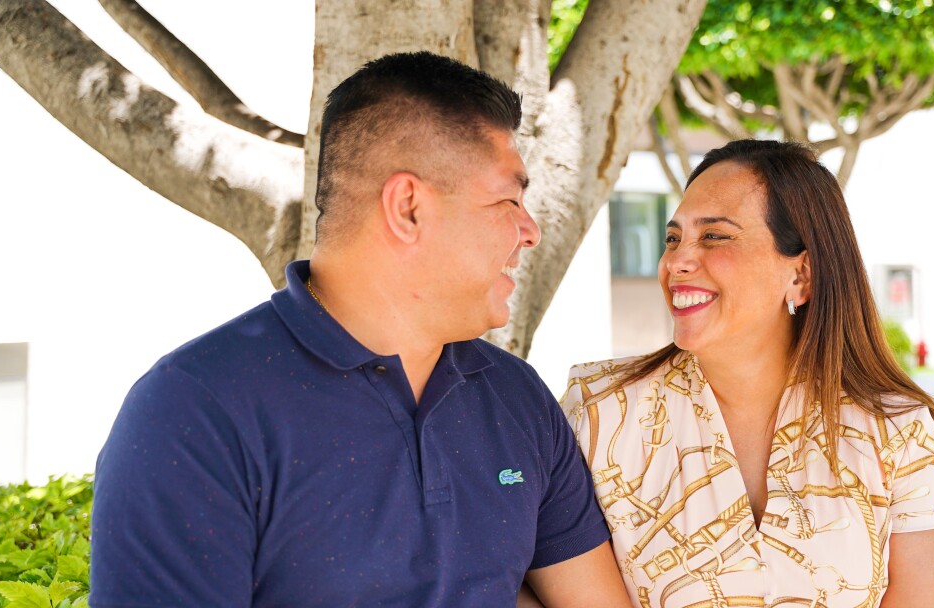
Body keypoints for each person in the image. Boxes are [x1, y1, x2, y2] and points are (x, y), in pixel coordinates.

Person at [91, 51, 630, 608]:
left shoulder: (518, 399)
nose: (531, 230)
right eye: (508, 200)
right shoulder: (192, 412)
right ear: (408, 208)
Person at [561, 140, 934, 607]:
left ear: (802, 275)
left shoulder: (897, 430)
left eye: (715, 236)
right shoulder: (599, 412)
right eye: (673, 238)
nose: (676, 262)